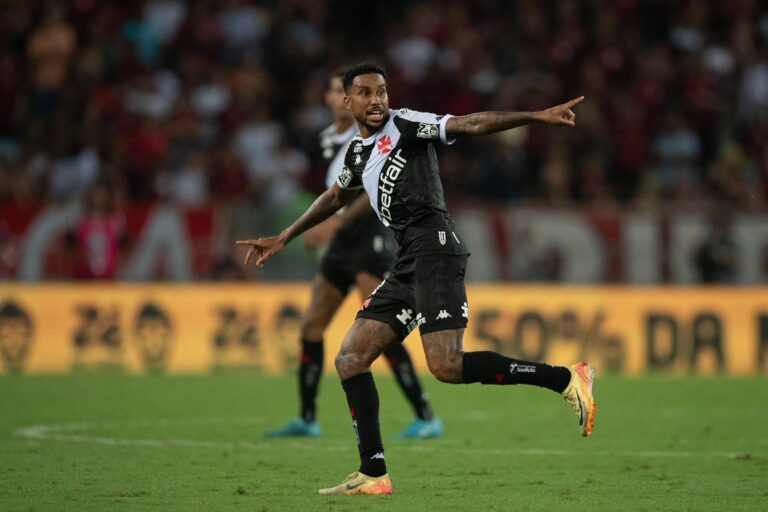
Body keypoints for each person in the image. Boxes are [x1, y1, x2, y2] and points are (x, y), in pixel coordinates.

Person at [237, 63, 596, 496]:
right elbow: (335, 197)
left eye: (382, 91)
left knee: (446, 365)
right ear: (348, 102)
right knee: (351, 358)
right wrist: (285, 235)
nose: (377, 101)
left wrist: (534, 116)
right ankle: (374, 472)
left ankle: (565, 378)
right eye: (366, 94)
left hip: (437, 248)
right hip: (408, 261)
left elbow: (470, 123)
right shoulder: (356, 153)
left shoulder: (406, 124)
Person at [264, 68, 443, 439]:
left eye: (374, 92)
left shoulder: (380, 134)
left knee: (378, 329)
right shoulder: (333, 140)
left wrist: (337, 223)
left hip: (367, 240)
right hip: (340, 245)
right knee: (312, 324)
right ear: (338, 101)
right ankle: (308, 418)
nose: (370, 99)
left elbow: (368, 188)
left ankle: (426, 415)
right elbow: (336, 192)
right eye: (333, 92)